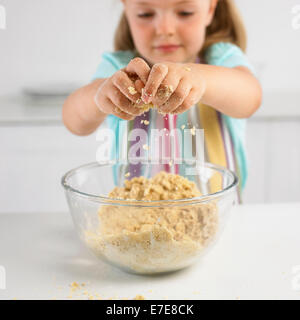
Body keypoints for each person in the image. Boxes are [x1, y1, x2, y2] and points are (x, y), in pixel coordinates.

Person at [62, 0, 262, 203]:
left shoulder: (221, 58)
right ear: (127, 10)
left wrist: (199, 79)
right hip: (136, 224)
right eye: (146, 14)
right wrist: (100, 95)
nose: (165, 29)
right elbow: (74, 121)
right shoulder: (117, 68)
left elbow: (251, 96)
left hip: (216, 220)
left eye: (184, 12)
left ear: (210, 10)